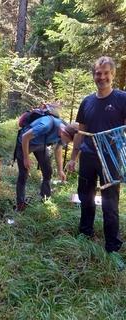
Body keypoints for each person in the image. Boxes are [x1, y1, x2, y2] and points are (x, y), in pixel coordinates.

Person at [67, 56, 126, 268]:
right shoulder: (87, 102)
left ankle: (112, 247)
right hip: (89, 158)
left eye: (105, 73)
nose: (101, 77)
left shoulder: (122, 99)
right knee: (86, 197)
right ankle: (85, 232)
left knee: (110, 204)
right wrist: (73, 158)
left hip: (111, 159)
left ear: (113, 75)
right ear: (94, 76)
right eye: (98, 73)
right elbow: (80, 132)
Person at [15, 114, 78, 211]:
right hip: (24, 143)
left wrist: (60, 170)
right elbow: (25, 137)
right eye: (68, 141)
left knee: (48, 172)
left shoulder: (66, 131)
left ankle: (45, 198)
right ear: (63, 133)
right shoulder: (45, 125)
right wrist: (26, 158)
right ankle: (20, 205)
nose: (67, 143)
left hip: (41, 145)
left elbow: (58, 149)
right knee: (23, 174)